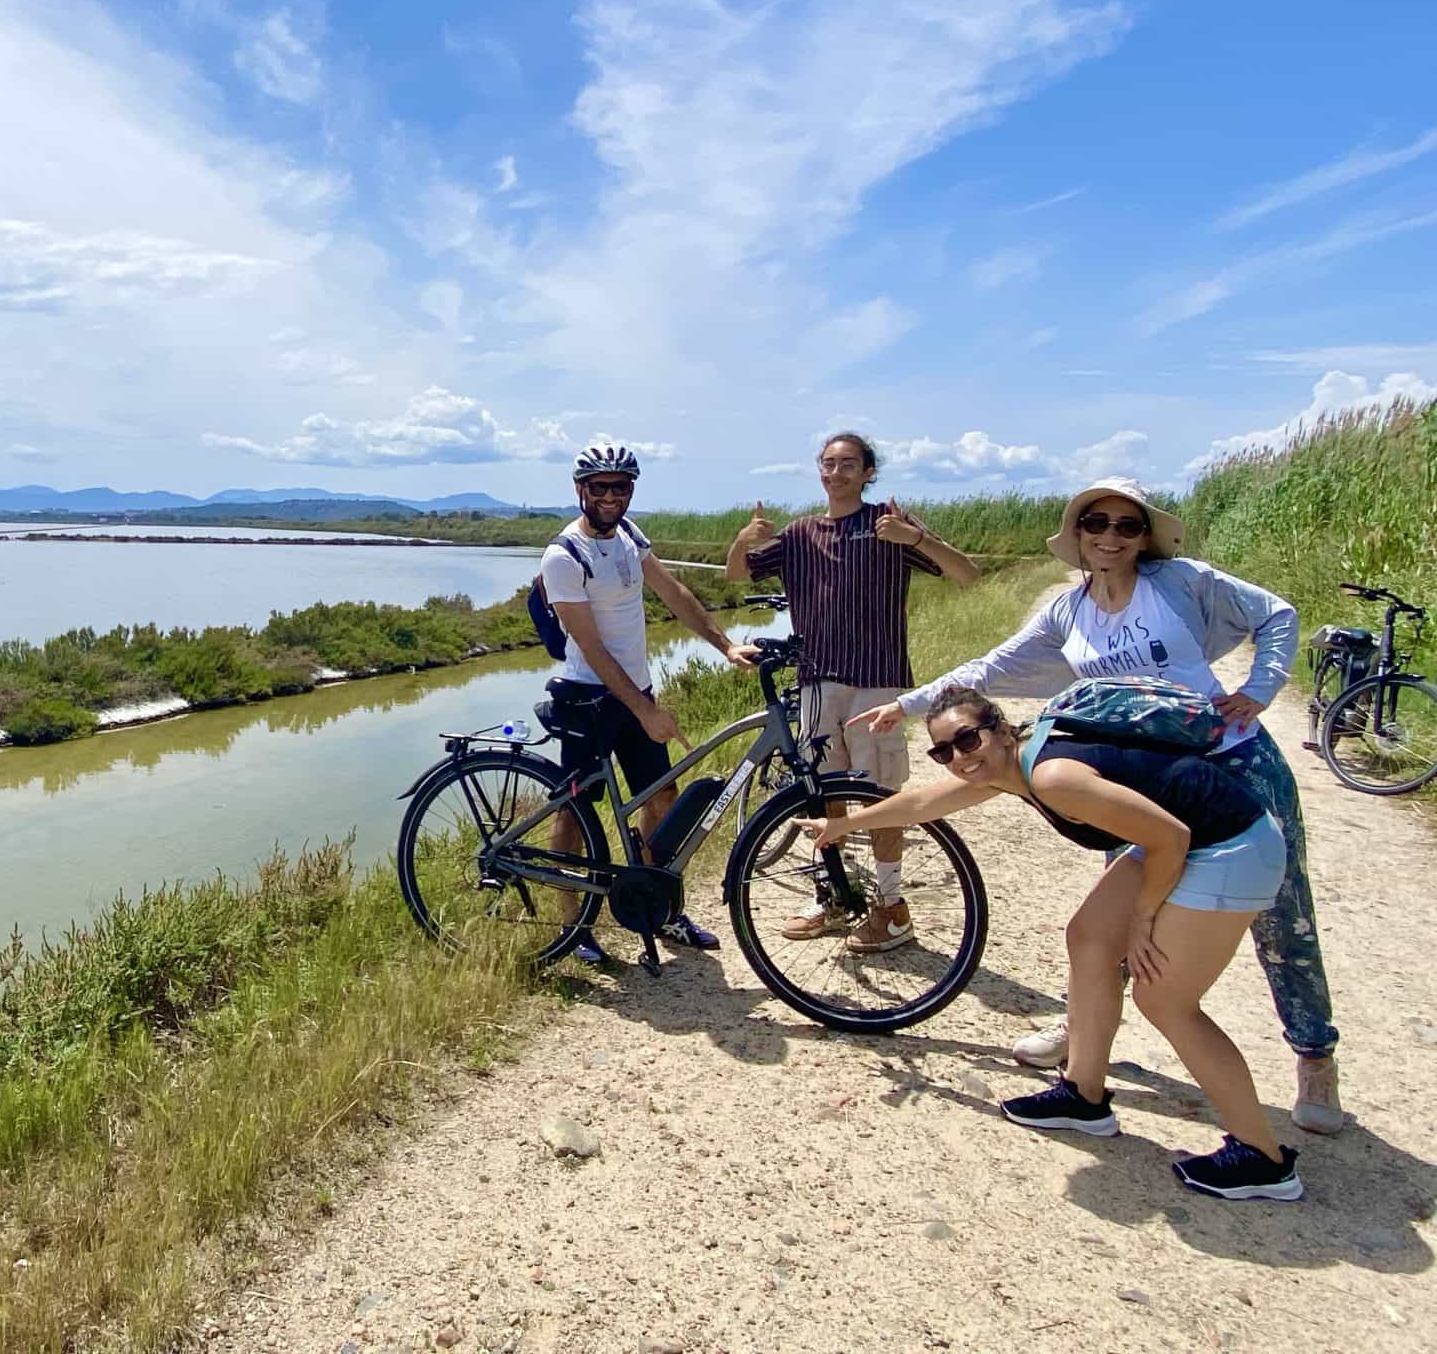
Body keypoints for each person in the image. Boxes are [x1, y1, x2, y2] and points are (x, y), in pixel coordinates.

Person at [851, 478, 1342, 1134]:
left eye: (1126, 526)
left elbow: (1276, 614)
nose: (1111, 537)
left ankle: (1314, 1054)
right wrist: (910, 705)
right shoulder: (1067, 611)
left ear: (1144, 536)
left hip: (1231, 761)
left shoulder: (1179, 582)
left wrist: (1258, 688)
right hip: (1133, 778)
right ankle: (1085, 1043)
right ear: (1077, 536)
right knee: (1102, 925)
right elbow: (990, 668)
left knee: (1283, 915)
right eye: (1096, 525)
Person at [802, 685, 1303, 1200]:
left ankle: (1263, 1157)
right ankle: (1083, 1096)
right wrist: (841, 824)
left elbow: (1168, 839)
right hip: (1188, 837)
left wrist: (1144, 920)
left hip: (1229, 845)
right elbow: (925, 801)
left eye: (967, 740)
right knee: (1088, 940)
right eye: (943, 751)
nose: (959, 758)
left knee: (1165, 999)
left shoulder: (1052, 775)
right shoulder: (1010, 767)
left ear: (998, 730)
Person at [724, 431, 978, 951]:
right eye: (828, 463)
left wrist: (917, 541)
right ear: (818, 470)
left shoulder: (889, 522)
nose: (836, 473)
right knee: (825, 794)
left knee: (882, 795)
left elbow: (967, 575)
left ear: (867, 473)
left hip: (875, 682)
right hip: (818, 681)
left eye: (848, 465)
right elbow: (733, 575)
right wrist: (742, 541)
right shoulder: (799, 533)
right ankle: (833, 896)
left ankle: (891, 908)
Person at [542, 443, 761, 964]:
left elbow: (672, 590)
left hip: (634, 693)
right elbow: (591, 650)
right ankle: (573, 925)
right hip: (587, 698)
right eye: (600, 487)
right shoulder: (563, 556)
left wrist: (725, 644)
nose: (611, 497)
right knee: (575, 814)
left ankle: (656, 908)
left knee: (662, 801)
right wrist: (645, 711)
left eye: (621, 487)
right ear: (580, 491)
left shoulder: (629, 537)